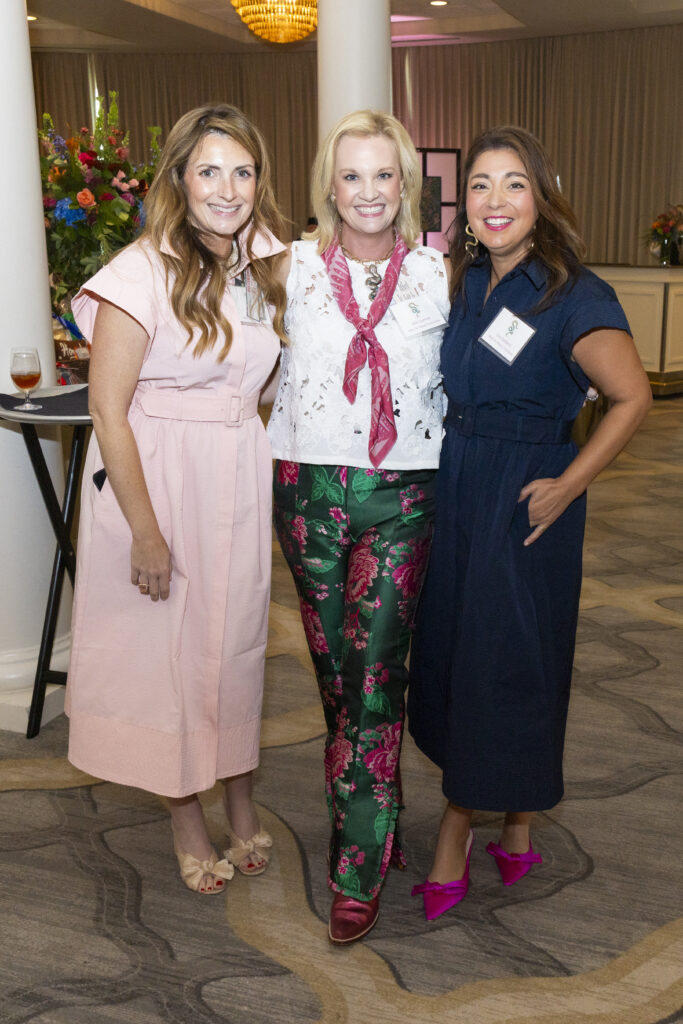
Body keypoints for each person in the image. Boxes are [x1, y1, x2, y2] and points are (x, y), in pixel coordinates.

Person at [408, 126, 652, 920]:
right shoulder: (463, 282)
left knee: (504, 663)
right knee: (455, 649)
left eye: (513, 184)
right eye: (479, 185)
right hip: (461, 485)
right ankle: (514, 826)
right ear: (464, 205)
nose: (494, 201)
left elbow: (632, 397)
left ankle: (457, 831)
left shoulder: (572, 291)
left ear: (541, 198)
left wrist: (568, 483)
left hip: (525, 499)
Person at [66, 104, 287, 894]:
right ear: (178, 180)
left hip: (235, 468)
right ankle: (185, 818)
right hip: (158, 477)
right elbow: (107, 411)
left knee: (233, 648)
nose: (228, 189)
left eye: (243, 171)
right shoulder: (138, 273)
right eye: (208, 171)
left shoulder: (265, 259)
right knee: (169, 658)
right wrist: (146, 532)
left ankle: (239, 795)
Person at [267, 110, 451, 943]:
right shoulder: (289, 268)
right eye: (352, 176)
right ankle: (380, 808)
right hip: (306, 491)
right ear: (328, 185)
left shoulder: (439, 276)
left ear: (404, 184)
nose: (368, 192)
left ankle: (357, 860)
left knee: (374, 673)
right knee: (337, 680)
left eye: (384, 175)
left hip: (403, 495)